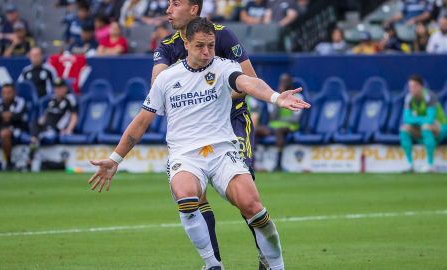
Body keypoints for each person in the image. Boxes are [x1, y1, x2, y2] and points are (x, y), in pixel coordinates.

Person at [88, 17, 310, 270]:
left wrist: (275, 98)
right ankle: (212, 264)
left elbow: (249, 82)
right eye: (200, 46)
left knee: (253, 207)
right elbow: (141, 122)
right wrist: (115, 159)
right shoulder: (166, 79)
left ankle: (277, 266)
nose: (206, 52)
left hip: (223, 152)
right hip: (186, 156)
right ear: (186, 42)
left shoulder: (223, 67)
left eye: (211, 46)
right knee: (186, 196)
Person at [152, 0, 267, 268]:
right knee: (195, 195)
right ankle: (214, 263)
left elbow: (249, 79)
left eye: (175, 3)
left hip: (232, 121)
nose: (168, 9)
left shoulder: (222, 35)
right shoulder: (167, 46)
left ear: (194, 9)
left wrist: (215, 94)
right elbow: (157, 87)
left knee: (245, 195)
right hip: (194, 131)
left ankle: (266, 255)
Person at [255, 74, 303, 171]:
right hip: (274, 126)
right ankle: (252, 162)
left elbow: (295, 119)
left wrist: (282, 120)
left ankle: (278, 164)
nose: (283, 84)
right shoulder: (275, 96)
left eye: (286, 81)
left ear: (290, 83)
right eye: (282, 81)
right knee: (255, 131)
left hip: (290, 126)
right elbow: (273, 117)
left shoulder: (298, 96)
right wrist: (279, 100)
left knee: (279, 131)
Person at [400, 75, 447, 173]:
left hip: (441, 128)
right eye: (410, 86)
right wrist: (420, 119)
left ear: (420, 86)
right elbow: (406, 118)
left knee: (426, 126)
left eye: (414, 86)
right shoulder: (408, 98)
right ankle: (410, 165)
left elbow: (430, 119)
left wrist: (415, 119)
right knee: (404, 129)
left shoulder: (429, 96)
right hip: (422, 128)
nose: (411, 89)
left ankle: (430, 164)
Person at [29, 78, 78, 167]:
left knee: (42, 135)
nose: (58, 90)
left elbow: (74, 116)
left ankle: (32, 157)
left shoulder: (69, 100)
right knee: (33, 124)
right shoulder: (52, 100)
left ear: (65, 88)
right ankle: (34, 142)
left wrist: (69, 129)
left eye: (60, 88)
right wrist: (40, 122)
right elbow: (45, 115)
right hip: (44, 126)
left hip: (55, 129)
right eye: (56, 88)